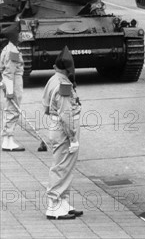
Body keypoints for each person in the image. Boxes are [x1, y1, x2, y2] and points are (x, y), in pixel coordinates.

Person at [42, 46, 83, 220]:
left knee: (65, 167)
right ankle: (54, 205)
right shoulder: (64, 84)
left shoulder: (53, 79)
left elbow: (45, 106)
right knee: (61, 167)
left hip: (56, 127)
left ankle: (63, 201)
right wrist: (73, 136)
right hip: (64, 130)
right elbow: (66, 115)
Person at [0, 24, 25, 152]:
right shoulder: (13, 51)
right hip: (14, 84)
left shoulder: (10, 48)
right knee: (12, 111)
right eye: (19, 33)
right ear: (14, 36)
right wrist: (10, 91)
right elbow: (9, 72)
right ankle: (7, 141)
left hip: (13, 83)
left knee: (11, 110)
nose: (21, 35)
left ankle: (8, 139)